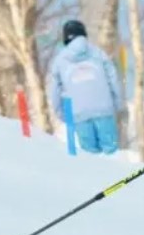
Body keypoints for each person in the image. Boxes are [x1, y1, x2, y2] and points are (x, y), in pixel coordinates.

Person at [47, 19, 123, 155]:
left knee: (90, 156)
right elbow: (114, 79)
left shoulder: (59, 61)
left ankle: (96, 176)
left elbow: (54, 91)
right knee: (111, 153)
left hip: (79, 114)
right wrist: (117, 103)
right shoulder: (99, 54)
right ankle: (117, 174)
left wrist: (62, 114)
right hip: (104, 109)